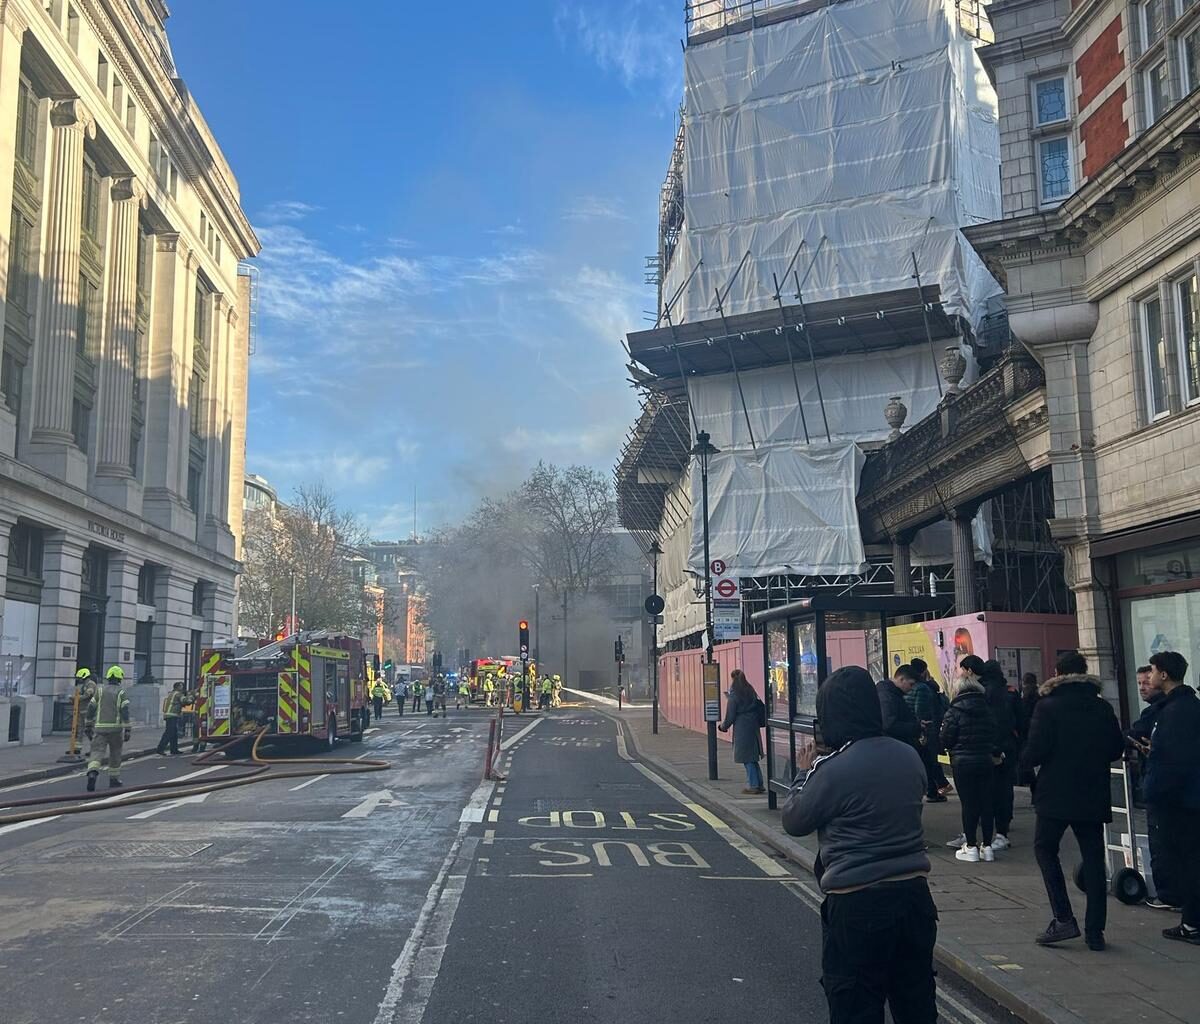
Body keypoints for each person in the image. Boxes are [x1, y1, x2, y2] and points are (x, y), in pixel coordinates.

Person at [782, 666, 936, 1024]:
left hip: (858, 904)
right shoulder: (908, 756)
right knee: (916, 1004)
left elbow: (795, 820)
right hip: (914, 898)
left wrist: (805, 772)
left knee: (855, 1007)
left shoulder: (833, 770)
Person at [1020, 650, 1123, 951]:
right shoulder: (1101, 706)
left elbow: (1036, 751)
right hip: (1092, 791)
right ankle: (1095, 932)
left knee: (1045, 849)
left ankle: (1063, 918)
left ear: (1057, 673)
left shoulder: (1047, 706)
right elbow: (1115, 749)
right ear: (1084, 672)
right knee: (1093, 858)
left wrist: (1022, 762)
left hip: (1055, 793)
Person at [1140, 650, 1200, 945]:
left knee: (1186, 861)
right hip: (1187, 795)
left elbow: (1174, 761)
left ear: (1164, 674)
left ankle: (1192, 922)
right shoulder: (1185, 706)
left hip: (1179, 801)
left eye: (1152, 671)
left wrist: (1153, 791)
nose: (1149, 677)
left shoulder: (1174, 711)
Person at [1127, 664, 1175, 910]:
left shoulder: (1161, 711)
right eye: (1139, 683)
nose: (1142, 688)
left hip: (1161, 785)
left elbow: (1136, 733)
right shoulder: (1163, 709)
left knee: (1163, 841)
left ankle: (1168, 894)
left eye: (1147, 681)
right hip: (1164, 783)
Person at [941, 658, 997, 863]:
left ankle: (971, 846)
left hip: (962, 762)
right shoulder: (987, 709)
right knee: (986, 803)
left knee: (969, 804)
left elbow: (946, 738)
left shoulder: (953, 711)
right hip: (985, 760)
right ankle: (988, 847)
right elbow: (994, 734)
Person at [982, 659, 1021, 851]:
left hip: (989, 746)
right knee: (1005, 787)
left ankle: (989, 825)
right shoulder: (1011, 692)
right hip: (1009, 745)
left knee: (988, 788)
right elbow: (1021, 720)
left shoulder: (984, 693)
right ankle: (1003, 826)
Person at [717, 669, 766, 794]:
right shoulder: (750, 690)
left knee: (747, 758)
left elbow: (730, 716)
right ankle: (759, 783)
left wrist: (723, 727)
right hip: (753, 726)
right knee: (752, 757)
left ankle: (753, 785)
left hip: (742, 728)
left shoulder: (734, 695)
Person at [901, 663, 943, 803]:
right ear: (924, 671)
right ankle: (931, 791)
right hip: (921, 731)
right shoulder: (922, 688)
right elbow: (921, 711)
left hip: (909, 730)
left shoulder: (907, 689)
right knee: (928, 761)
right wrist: (923, 732)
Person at [85, 666, 131, 792]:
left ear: (108, 677)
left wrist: (88, 723)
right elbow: (125, 711)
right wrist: (127, 728)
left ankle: (92, 772)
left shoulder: (100, 690)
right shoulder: (121, 692)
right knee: (115, 753)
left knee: (96, 752)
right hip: (115, 729)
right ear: (119, 679)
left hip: (100, 728)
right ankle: (114, 779)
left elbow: (91, 707)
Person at [912, 658, 951, 795]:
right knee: (930, 758)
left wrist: (920, 727)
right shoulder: (930, 687)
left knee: (928, 759)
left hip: (927, 728)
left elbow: (920, 711)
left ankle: (936, 787)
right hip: (933, 726)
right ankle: (940, 784)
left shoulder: (921, 688)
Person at [877, 666, 920, 750]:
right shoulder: (887, 695)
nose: (911, 688)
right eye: (911, 684)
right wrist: (915, 728)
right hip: (894, 746)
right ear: (901, 679)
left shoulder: (893, 693)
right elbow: (889, 725)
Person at [156, 682, 186, 756]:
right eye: (181, 686)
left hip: (169, 715)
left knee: (174, 734)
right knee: (169, 733)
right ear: (178, 687)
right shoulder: (178, 694)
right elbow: (185, 701)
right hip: (172, 715)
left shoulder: (172, 693)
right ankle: (160, 749)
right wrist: (192, 696)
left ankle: (174, 749)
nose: (182, 688)